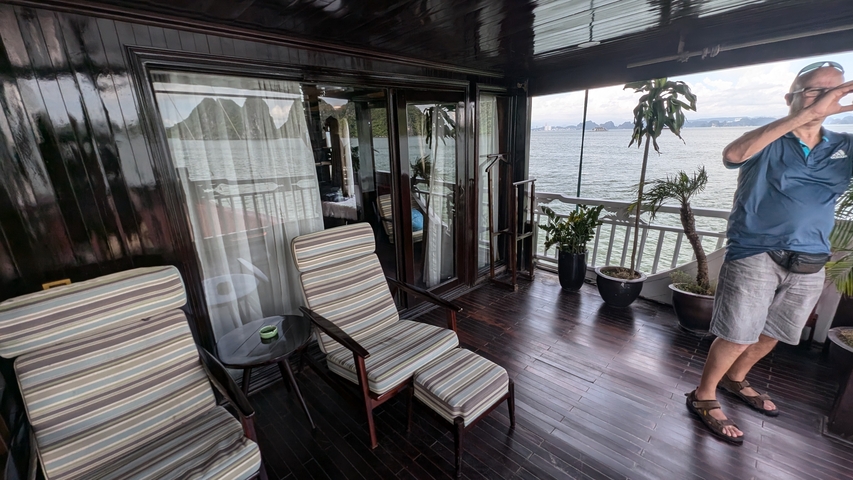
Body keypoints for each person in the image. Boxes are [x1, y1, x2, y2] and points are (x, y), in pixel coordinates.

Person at [686, 61, 853, 445]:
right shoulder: (770, 139)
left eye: (836, 89)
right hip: (756, 252)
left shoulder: (843, 146)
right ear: (790, 97)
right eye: (814, 89)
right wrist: (807, 115)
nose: (827, 97)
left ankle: (736, 380)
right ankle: (703, 395)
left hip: (811, 260)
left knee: (774, 334)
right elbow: (733, 154)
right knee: (737, 334)